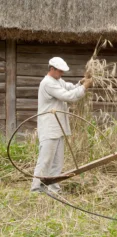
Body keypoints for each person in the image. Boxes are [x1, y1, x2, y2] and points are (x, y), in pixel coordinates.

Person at [30, 57, 93, 193]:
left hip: (58, 127)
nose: (62, 74)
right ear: (51, 69)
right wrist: (84, 86)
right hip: (49, 127)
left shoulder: (58, 81)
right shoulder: (47, 83)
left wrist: (81, 83)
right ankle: (36, 188)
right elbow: (69, 96)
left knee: (57, 161)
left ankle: (53, 188)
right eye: (60, 71)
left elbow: (69, 88)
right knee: (46, 159)